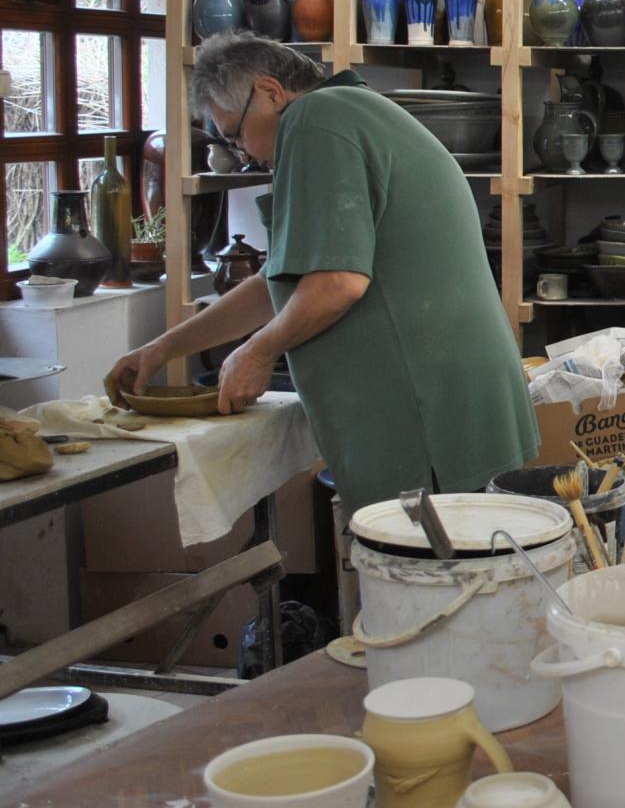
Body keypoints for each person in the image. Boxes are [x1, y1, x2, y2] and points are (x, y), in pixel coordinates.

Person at [108, 31, 538, 516]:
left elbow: (337, 284)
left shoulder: (315, 120)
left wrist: (258, 352)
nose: (242, 152)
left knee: (432, 562)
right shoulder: (349, 111)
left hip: (429, 417)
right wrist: (164, 349)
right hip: (455, 406)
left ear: (270, 92)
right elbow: (280, 281)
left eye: (235, 134)